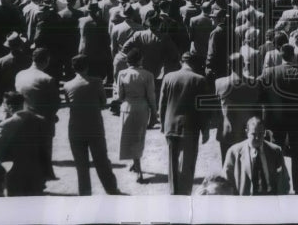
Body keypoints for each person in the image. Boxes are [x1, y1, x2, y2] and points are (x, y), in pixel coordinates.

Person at [260, 43, 298, 194]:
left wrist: (267, 103)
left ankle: (275, 184)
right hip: (297, 118)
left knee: (275, 151)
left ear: (281, 56)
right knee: (297, 153)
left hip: (275, 119)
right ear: (293, 56)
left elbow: (259, 88)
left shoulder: (269, 72)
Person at [63, 54, 120, 195]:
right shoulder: (97, 82)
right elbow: (103, 103)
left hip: (75, 128)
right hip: (95, 127)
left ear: (73, 68)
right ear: (87, 67)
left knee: (81, 166)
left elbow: (69, 104)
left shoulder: (67, 85)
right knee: (102, 161)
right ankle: (111, 189)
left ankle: (85, 194)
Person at [158, 51, 214, 195]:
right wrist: (205, 130)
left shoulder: (168, 77)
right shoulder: (200, 80)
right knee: (188, 162)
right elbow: (204, 109)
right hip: (190, 127)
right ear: (194, 63)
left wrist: (163, 124)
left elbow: (162, 104)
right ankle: (185, 192)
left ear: (181, 62)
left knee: (172, 161)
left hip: (171, 125)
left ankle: (173, 192)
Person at [0, 90, 51, 196]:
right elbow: (45, 147)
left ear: (9, 106)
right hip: (37, 173)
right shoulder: (40, 120)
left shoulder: (6, 125)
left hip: (15, 174)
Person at [14, 46, 60, 182]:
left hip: (22, 118)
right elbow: (55, 103)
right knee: (44, 153)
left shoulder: (20, 74)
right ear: (46, 60)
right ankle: (44, 177)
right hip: (42, 121)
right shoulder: (47, 79)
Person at [116, 45, 157, 183]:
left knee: (129, 138)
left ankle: (136, 166)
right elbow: (151, 97)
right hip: (142, 109)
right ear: (140, 60)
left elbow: (119, 96)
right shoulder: (148, 75)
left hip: (127, 108)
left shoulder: (122, 74)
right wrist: (154, 114)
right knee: (139, 139)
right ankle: (138, 169)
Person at [214, 52, 264, 162]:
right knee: (246, 165)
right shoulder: (254, 84)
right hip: (247, 132)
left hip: (227, 132)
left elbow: (216, 110)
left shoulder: (219, 83)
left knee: (227, 165)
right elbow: (258, 109)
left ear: (229, 65)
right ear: (244, 65)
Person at [221, 116, 290, 195]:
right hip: (245, 199)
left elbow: (284, 179)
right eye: (253, 134)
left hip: (270, 198)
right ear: (247, 132)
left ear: (264, 133)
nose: (257, 138)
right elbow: (226, 182)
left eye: (260, 134)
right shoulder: (234, 152)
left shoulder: (275, 151)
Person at [0, 32, 31, 104]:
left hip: (6, 97)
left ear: (9, 46)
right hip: (24, 97)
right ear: (21, 45)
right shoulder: (28, 61)